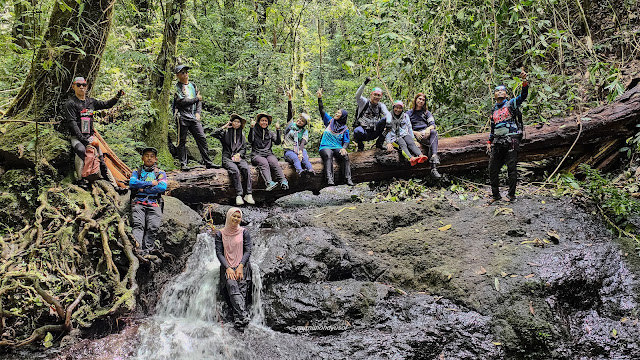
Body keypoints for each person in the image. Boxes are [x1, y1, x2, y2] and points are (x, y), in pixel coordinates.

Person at [65, 76, 123, 186]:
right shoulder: (71, 103)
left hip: (90, 136)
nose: (81, 87)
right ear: (73, 86)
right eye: (78, 85)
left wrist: (117, 96)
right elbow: (72, 123)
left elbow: (106, 104)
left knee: (101, 158)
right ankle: (80, 179)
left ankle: (113, 184)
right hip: (77, 137)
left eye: (84, 85)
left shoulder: (91, 102)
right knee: (81, 150)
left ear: (87, 87)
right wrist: (84, 141)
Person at [486, 70, 529, 204]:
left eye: (502, 90)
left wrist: (524, 82)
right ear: (494, 94)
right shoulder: (494, 110)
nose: (499, 92)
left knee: (511, 168)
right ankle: (496, 195)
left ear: (506, 94)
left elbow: (523, 96)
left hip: (511, 139)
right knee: (493, 168)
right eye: (497, 90)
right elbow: (493, 127)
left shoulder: (511, 104)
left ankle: (511, 195)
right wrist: (489, 141)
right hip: (498, 141)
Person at [173, 65, 217, 171]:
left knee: (201, 138)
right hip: (182, 116)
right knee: (182, 141)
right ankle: (183, 163)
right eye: (182, 72)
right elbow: (182, 101)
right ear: (178, 75)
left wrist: (198, 113)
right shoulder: (177, 87)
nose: (185, 74)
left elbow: (199, 101)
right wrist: (196, 99)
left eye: (186, 72)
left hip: (193, 117)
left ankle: (208, 162)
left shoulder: (193, 85)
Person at [214, 207, 252, 330]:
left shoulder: (244, 232)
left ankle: (238, 320)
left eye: (238, 217)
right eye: (234, 216)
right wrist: (228, 268)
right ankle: (243, 315)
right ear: (229, 216)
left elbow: (248, 250)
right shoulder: (220, 234)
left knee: (242, 289)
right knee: (232, 286)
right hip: (228, 266)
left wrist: (241, 266)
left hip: (242, 266)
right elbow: (219, 253)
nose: (236, 219)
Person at [129, 147, 167, 257]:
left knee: (153, 226)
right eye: (146, 155)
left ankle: (148, 250)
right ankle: (138, 249)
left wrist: (143, 188)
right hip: (138, 202)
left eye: (152, 156)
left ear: (156, 159)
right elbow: (132, 183)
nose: (149, 158)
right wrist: (151, 183)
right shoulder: (137, 171)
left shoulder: (160, 173)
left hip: (154, 202)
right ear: (142, 158)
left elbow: (162, 187)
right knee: (138, 225)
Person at [212, 114, 254, 206]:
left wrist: (239, 154)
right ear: (232, 122)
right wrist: (224, 126)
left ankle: (248, 194)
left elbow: (244, 148)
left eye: (238, 122)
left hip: (239, 158)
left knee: (246, 169)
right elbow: (213, 134)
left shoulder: (242, 135)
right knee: (235, 170)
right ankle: (239, 195)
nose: (237, 123)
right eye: (235, 121)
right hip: (227, 158)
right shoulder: (225, 133)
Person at [316, 88, 353, 186]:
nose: (336, 114)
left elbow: (346, 140)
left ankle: (348, 178)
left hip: (337, 146)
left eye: (339, 113)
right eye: (336, 112)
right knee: (328, 156)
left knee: (345, 156)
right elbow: (322, 110)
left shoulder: (345, 128)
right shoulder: (330, 121)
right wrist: (319, 98)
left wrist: (344, 148)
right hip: (325, 146)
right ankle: (329, 179)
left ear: (343, 116)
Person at [249, 112, 288, 191]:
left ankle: (283, 181)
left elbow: (277, 142)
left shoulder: (270, 133)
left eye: (266, 121)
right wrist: (251, 128)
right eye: (262, 120)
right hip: (256, 155)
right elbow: (250, 140)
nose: (264, 122)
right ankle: (269, 183)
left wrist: (278, 130)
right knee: (264, 162)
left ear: (268, 123)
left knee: (274, 162)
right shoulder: (254, 131)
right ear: (259, 122)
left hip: (268, 154)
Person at [406, 93, 441, 178]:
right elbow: (405, 129)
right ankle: (433, 169)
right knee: (430, 144)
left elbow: (433, 124)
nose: (421, 101)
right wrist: (415, 133)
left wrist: (428, 129)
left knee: (433, 132)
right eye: (419, 99)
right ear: (416, 100)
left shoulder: (426, 113)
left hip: (426, 132)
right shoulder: (408, 114)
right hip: (416, 134)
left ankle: (434, 156)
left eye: (423, 100)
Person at [385, 100, 429, 166]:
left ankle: (420, 155)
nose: (398, 110)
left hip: (404, 134)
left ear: (402, 109)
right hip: (394, 138)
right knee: (402, 144)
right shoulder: (389, 117)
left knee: (411, 142)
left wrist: (414, 139)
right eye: (396, 107)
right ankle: (411, 158)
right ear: (393, 107)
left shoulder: (405, 116)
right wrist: (388, 142)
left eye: (400, 108)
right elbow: (387, 130)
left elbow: (409, 127)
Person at [353, 77, 392, 151]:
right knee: (357, 131)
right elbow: (357, 96)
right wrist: (365, 83)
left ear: (381, 96)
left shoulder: (381, 105)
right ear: (371, 94)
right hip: (363, 131)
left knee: (387, 120)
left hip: (374, 131)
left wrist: (389, 122)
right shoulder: (364, 102)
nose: (376, 97)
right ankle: (360, 145)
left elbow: (387, 114)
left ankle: (379, 143)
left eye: (379, 95)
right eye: (375, 94)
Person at [282, 91, 314, 177]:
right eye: (299, 119)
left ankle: (311, 170)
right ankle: (300, 171)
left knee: (305, 159)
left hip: (299, 149)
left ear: (304, 124)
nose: (299, 121)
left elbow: (303, 143)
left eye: (302, 121)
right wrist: (289, 100)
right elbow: (290, 113)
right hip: (289, 151)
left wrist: (300, 152)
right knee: (296, 158)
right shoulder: (291, 125)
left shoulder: (304, 131)